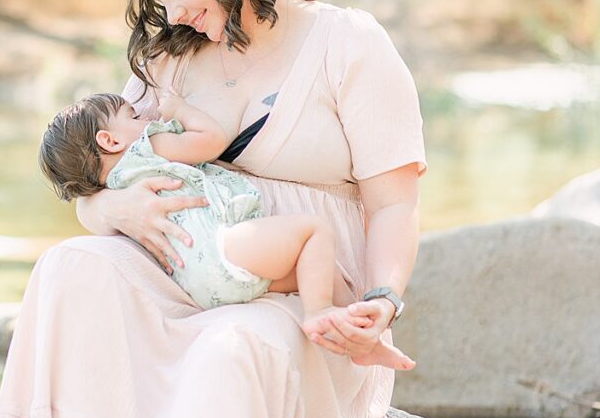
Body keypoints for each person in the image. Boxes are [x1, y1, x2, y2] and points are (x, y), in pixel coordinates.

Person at [0, 0, 426, 418]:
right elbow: (101, 178)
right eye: (161, 1)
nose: (173, 13)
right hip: (187, 273)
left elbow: (395, 205)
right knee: (68, 266)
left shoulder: (347, 42)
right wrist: (110, 212)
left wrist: (383, 302)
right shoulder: (170, 58)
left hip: (304, 288)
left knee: (233, 347)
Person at [37, 89, 416, 372]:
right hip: (225, 251)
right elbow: (211, 141)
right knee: (313, 233)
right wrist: (181, 110)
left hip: (196, 280)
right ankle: (320, 313)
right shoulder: (147, 148)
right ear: (110, 140)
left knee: (312, 265)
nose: (145, 118)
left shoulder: (117, 183)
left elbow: (87, 205)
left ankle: (358, 341)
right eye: (133, 115)